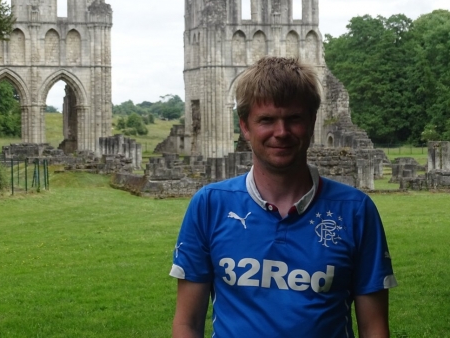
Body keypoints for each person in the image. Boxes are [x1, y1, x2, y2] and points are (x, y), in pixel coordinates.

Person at [170, 56, 397, 338]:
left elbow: (374, 328)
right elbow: (186, 325)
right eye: (266, 120)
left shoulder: (355, 210)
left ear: (312, 121)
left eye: (293, 119)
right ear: (245, 127)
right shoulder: (210, 205)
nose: (281, 132)